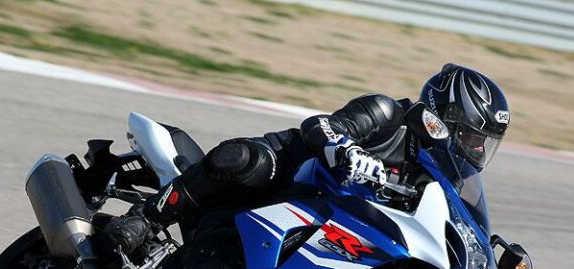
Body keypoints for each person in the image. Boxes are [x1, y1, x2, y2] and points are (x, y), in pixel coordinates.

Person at [107, 63, 511, 253]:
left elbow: (453, 217)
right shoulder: (389, 113)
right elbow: (321, 126)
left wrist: (486, 246)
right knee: (242, 159)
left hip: (333, 222)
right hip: (289, 172)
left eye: (484, 143)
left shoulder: (439, 175)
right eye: (474, 137)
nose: (477, 150)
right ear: (446, 118)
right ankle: (146, 218)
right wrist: (347, 149)